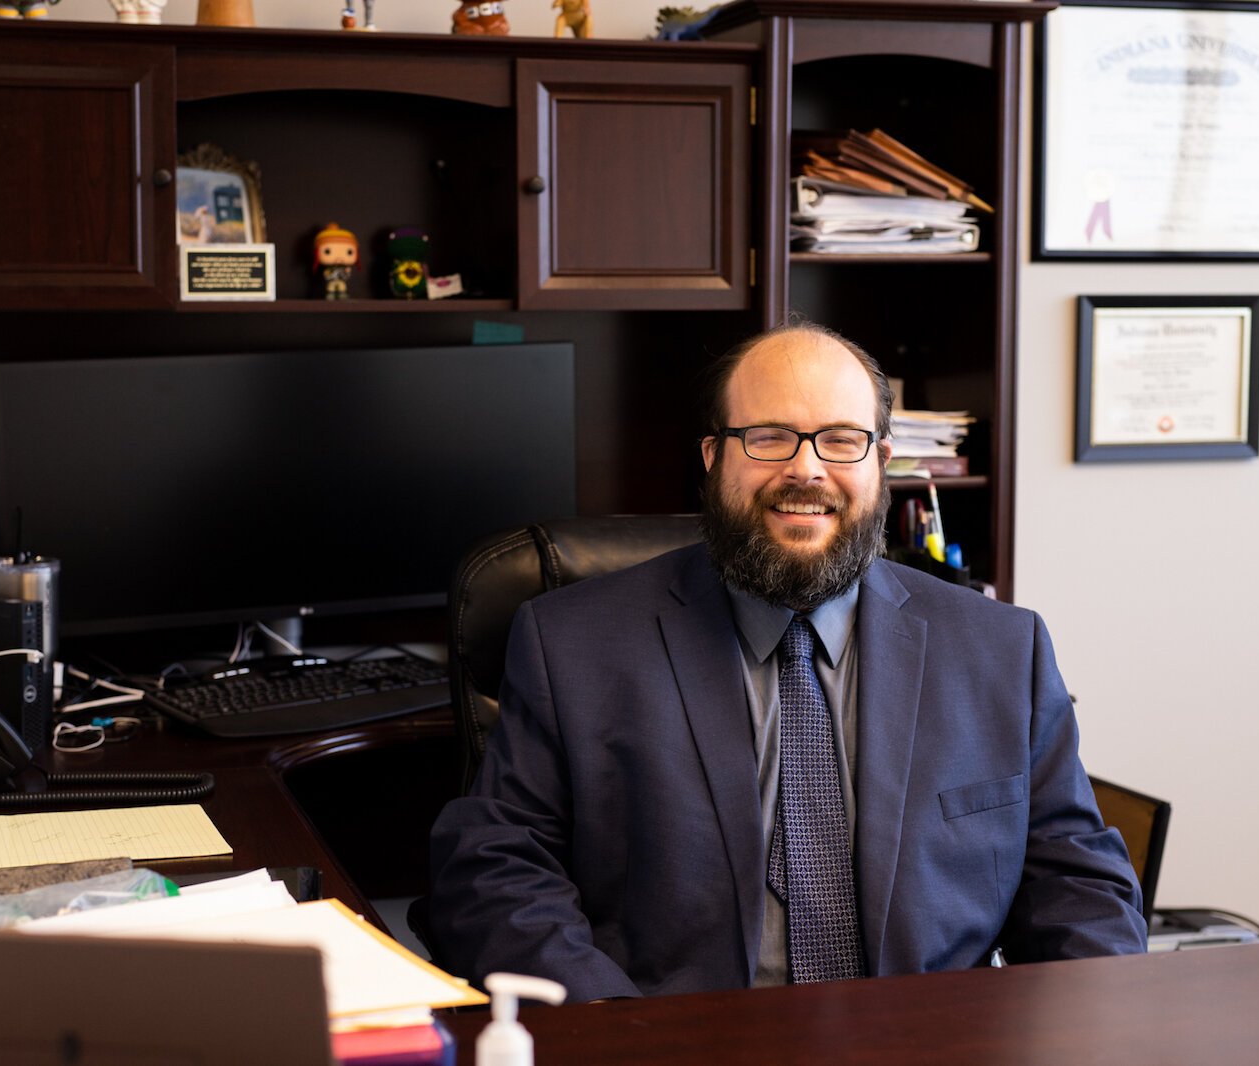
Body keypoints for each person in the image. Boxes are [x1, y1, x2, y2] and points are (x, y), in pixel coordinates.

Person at [425, 323, 1146, 1002]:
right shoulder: (574, 642)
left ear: (881, 464)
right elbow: (495, 870)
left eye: (840, 440)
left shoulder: (999, 650)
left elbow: (1074, 880)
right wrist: (619, 1028)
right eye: (768, 438)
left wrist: (1085, 1025)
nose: (806, 470)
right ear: (714, 460)